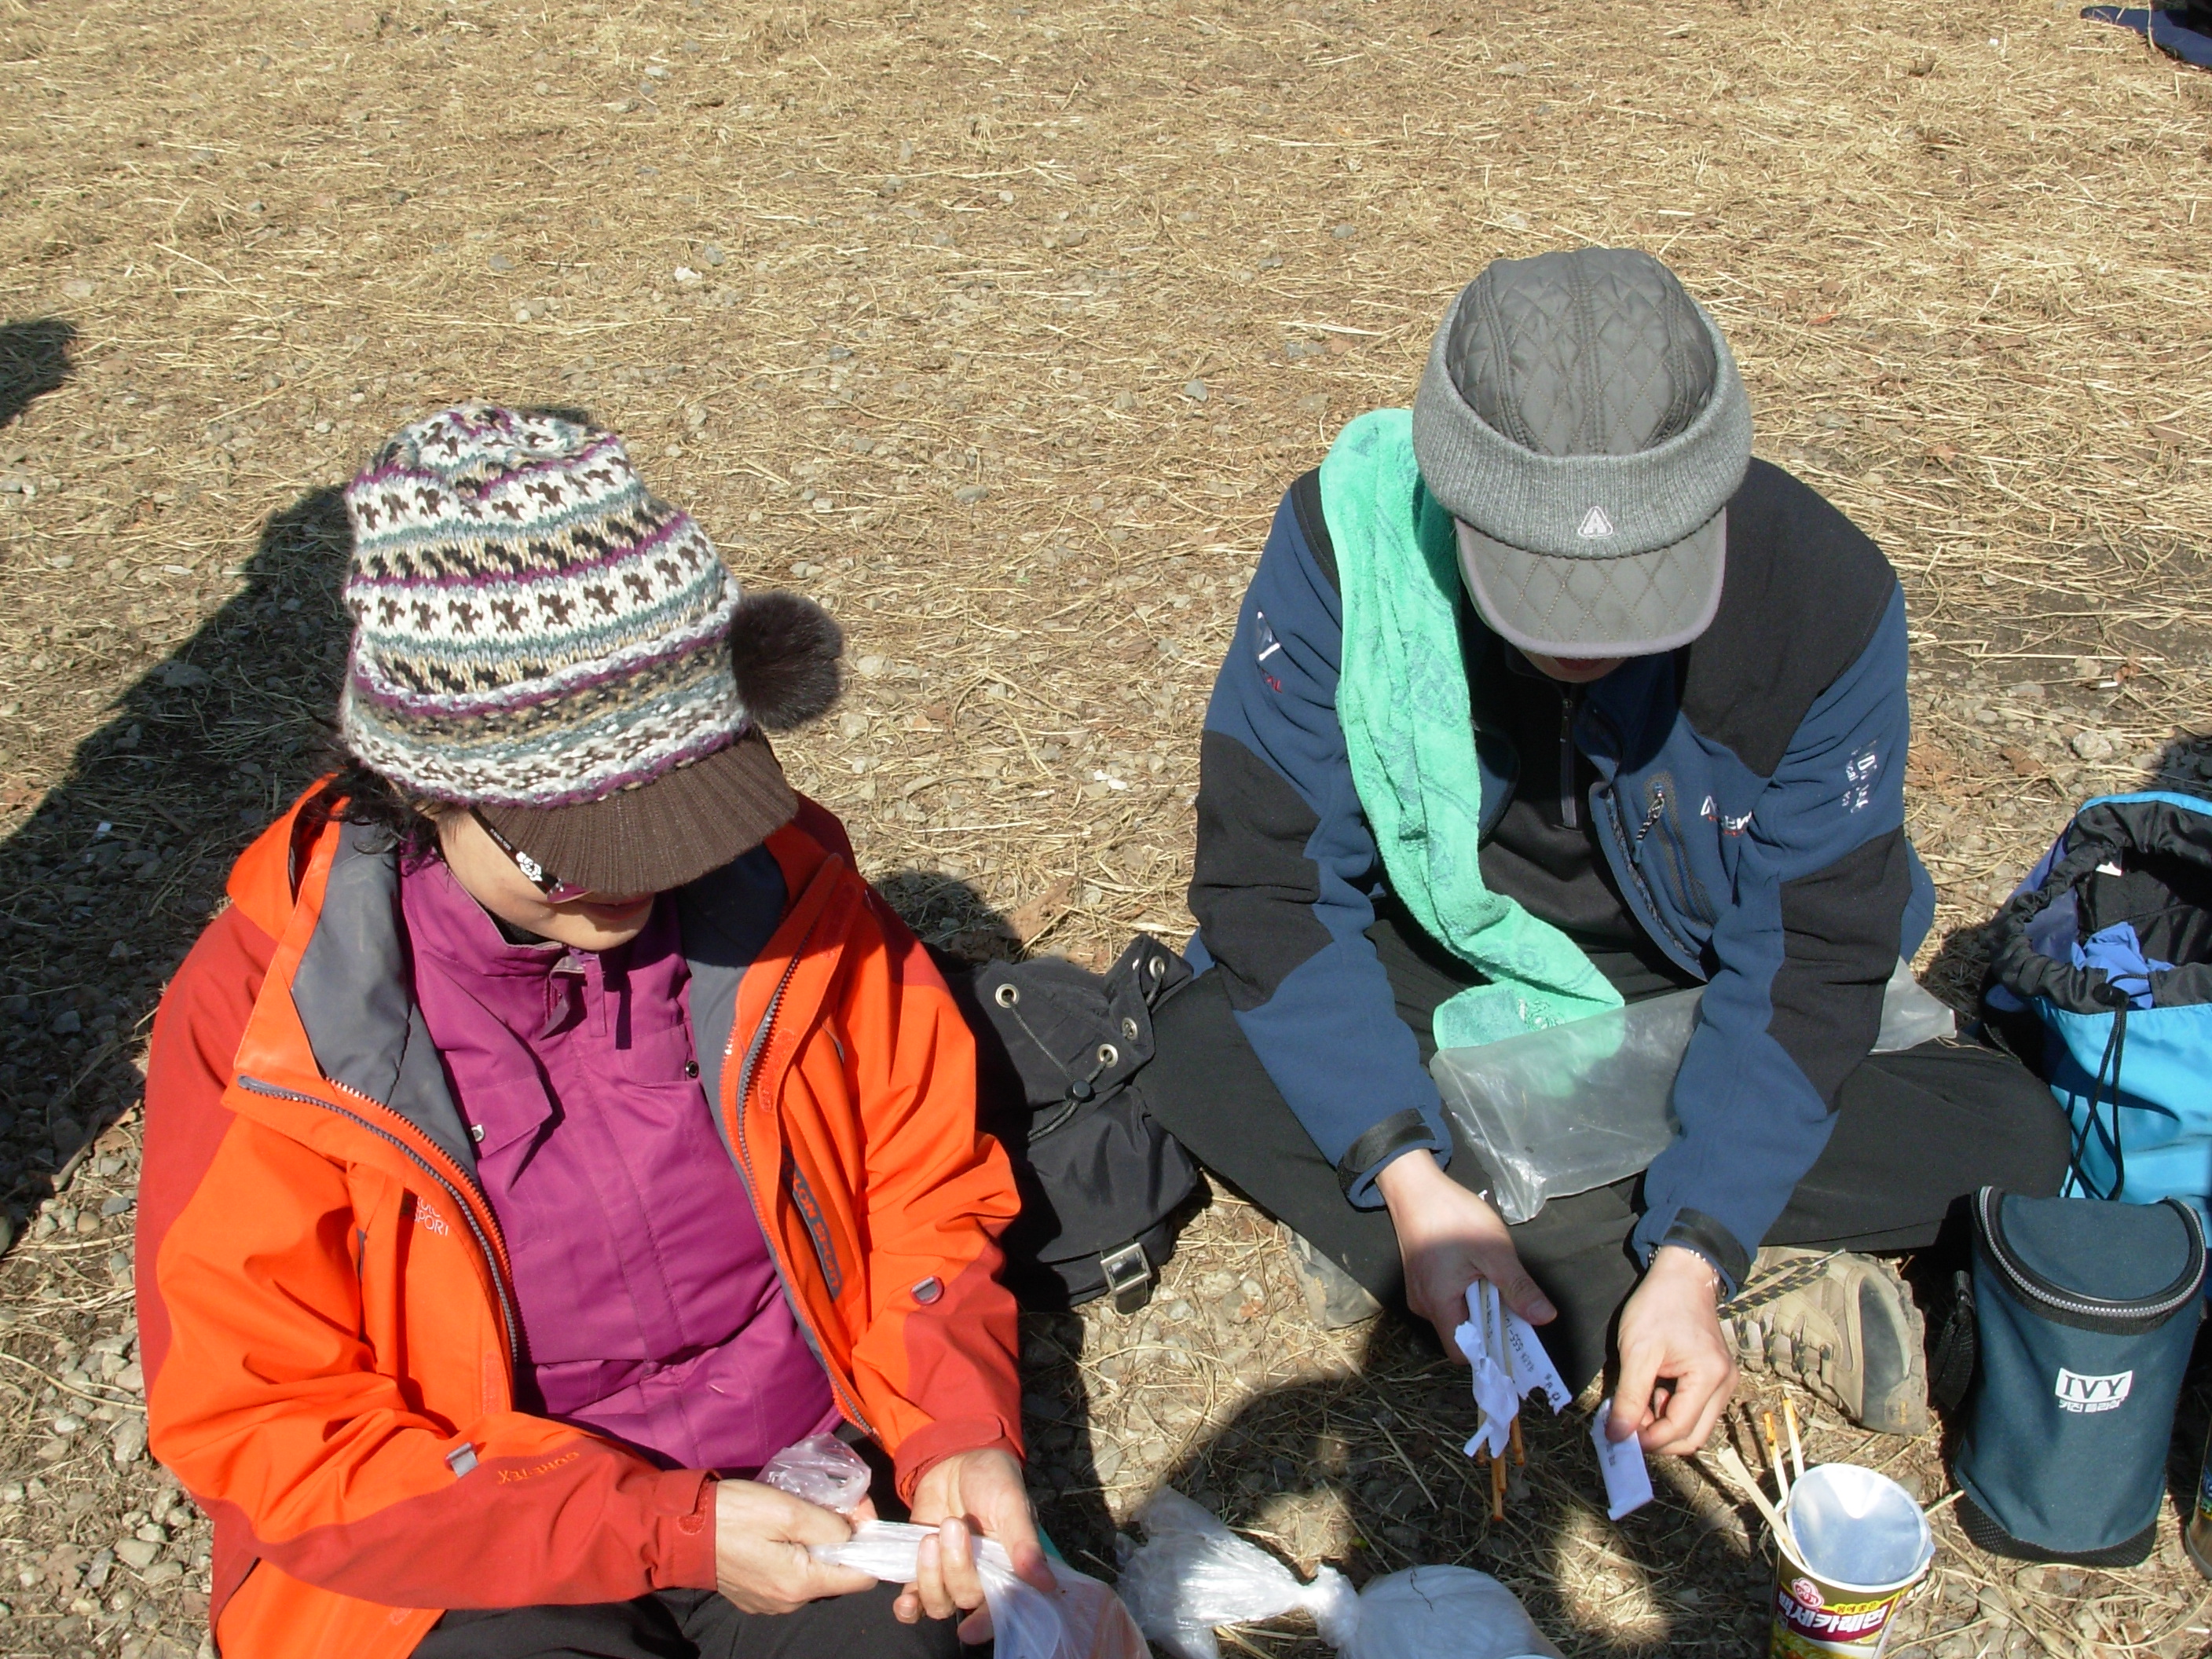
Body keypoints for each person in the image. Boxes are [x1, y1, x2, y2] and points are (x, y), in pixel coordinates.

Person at [135, 405, 1047, 1659]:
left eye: (679, 830)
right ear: (423, 787)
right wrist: (663, 1530)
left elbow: (920, 1189)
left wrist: (956, 1426)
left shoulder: (785, 894)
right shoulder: (273, 1015)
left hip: (791, 1474)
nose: (638, 886)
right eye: (574, 853)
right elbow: (268, 1417)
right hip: (465, 1539)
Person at [1136, 247, 2071, 1454]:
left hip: (1690, 980)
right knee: (1198, 1041)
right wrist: (1410, 1179)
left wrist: (1699, 1248)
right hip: (1448, 942)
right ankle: (1476, 1230)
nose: (1582, 637)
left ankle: (1547, 1259)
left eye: (1637, 583)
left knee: (2009, 1136)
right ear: (1454, 492)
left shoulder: (1821, 596)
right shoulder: (1347, 545)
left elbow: (1809, 957)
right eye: (1536, 583)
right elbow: (1270, 882)